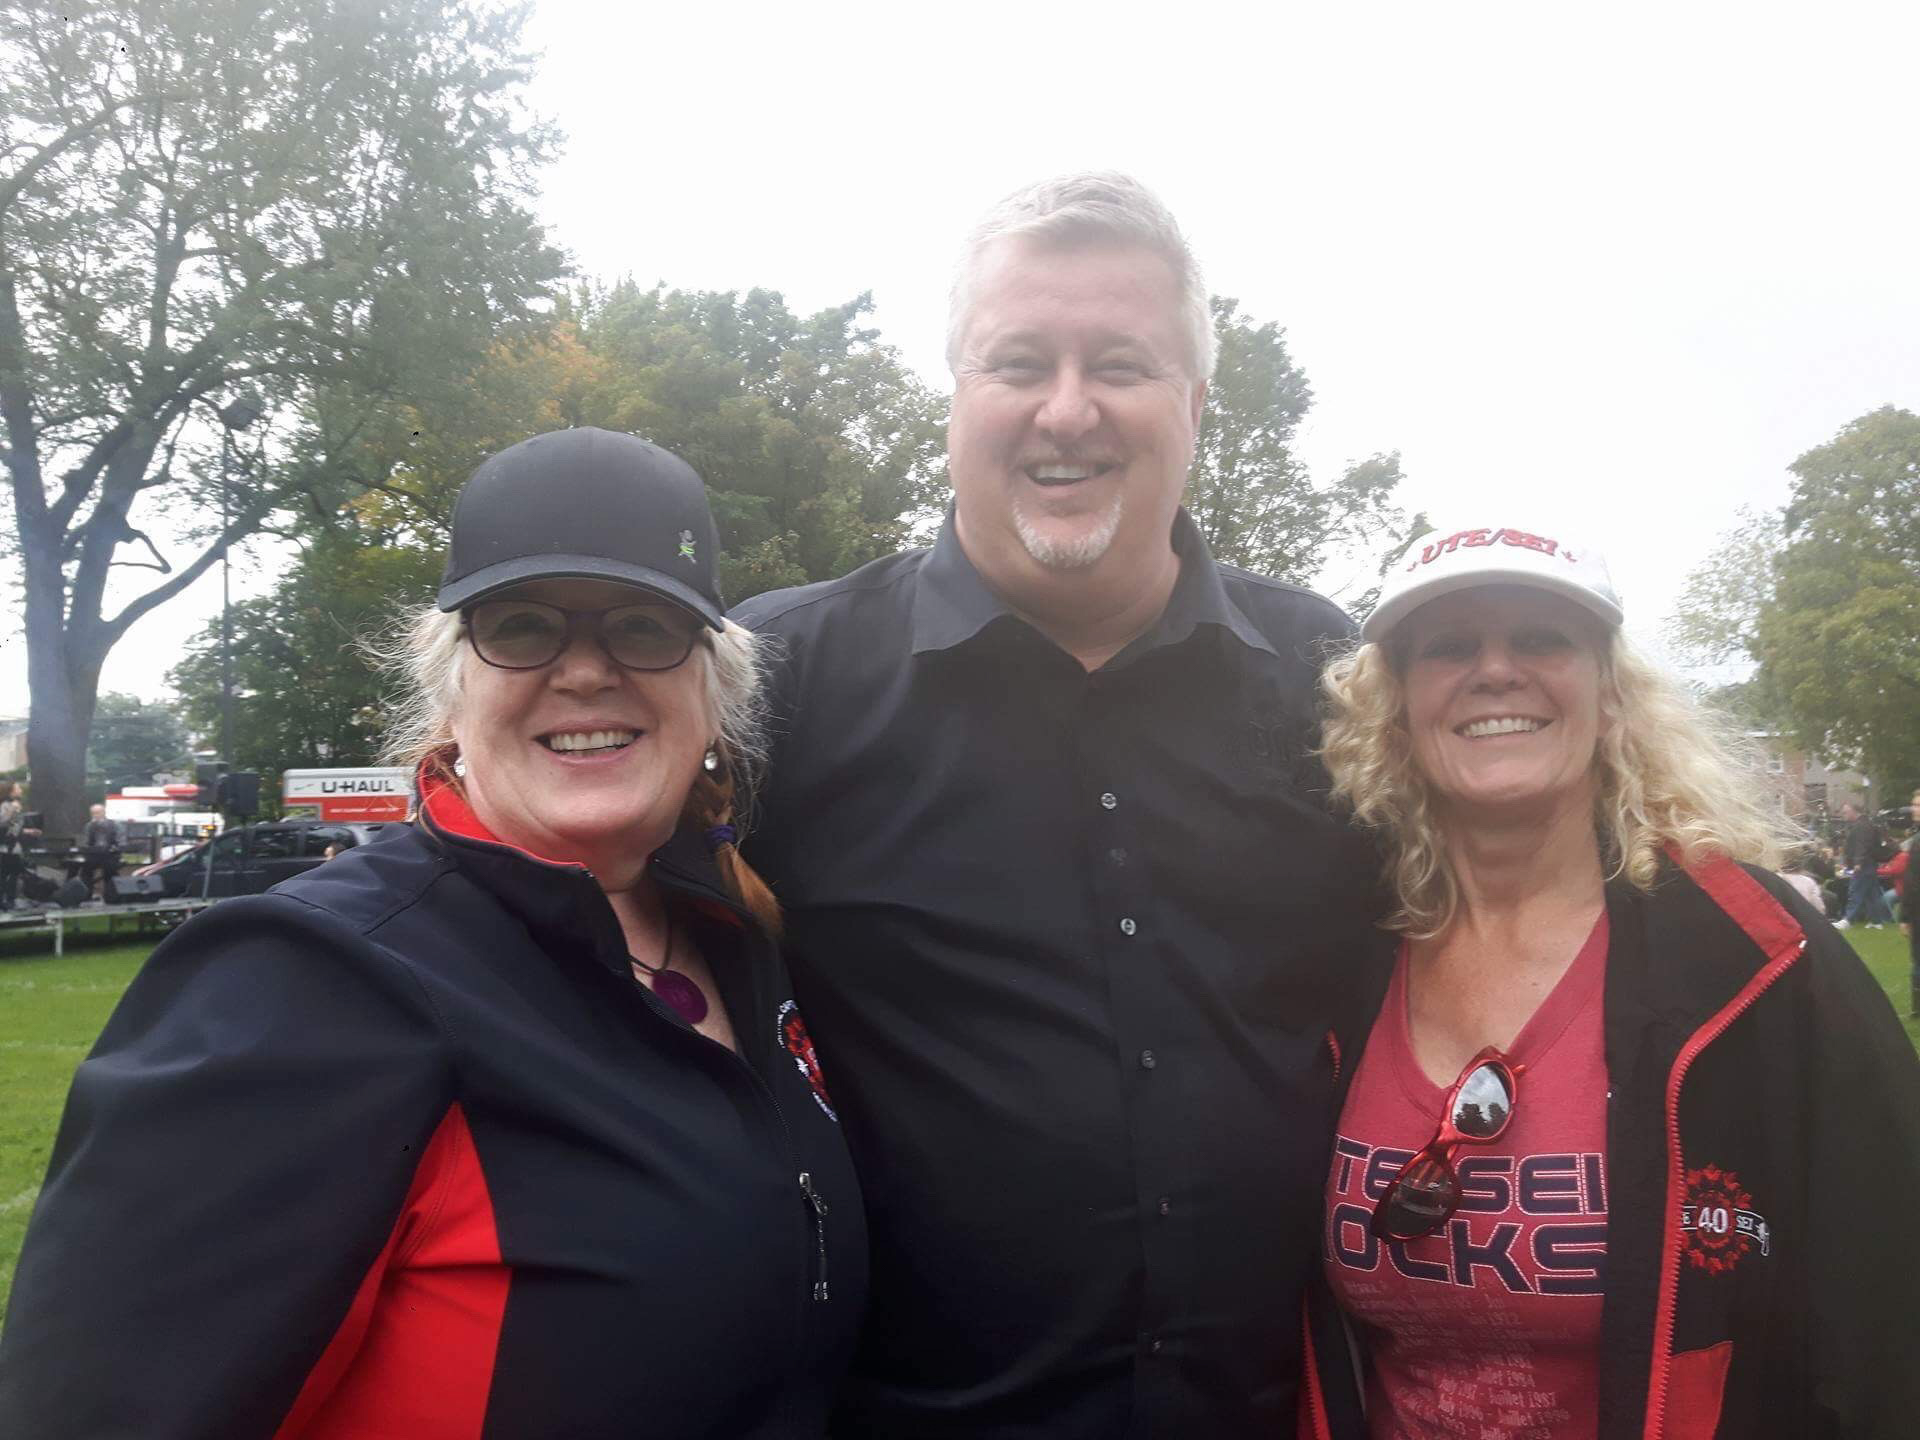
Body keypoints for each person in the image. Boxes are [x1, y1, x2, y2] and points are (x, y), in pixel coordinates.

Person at [0, 428, 866, 1437]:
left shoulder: (740, 937)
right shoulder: (307, 981)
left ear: (714, 695)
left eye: (643, 626)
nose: (585, 671)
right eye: (524, 625)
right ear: (454, 688)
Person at [731, 172, 1385, 1437]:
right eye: (1018, 361)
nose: (1066, 410)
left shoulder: (1330, 678)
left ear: (1196, 404)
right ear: (958, 397)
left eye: (1122, 364)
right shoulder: (783, 678)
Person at [1315, 524, 1920, 1438]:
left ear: (1611, 700)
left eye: (1542, 638)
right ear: (1396, 709)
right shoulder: (1333, 953)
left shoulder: (1749, 953)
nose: (1495, 670)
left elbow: (1886, 1309)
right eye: (1449, 646)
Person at [1835, 797, 1894, 928]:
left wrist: (1857, 862)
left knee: (1855, 891)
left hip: (1864, 864)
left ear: (1854, 811)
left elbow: (1862, 845)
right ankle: (1877, 921)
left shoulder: (1861, 826)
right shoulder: (1864, 824)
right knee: (1871, 894)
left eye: (1845, 812)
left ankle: (1847, 920)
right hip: (1868, 863)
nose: (1843, 815)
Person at [0, 782, 39, 910]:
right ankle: (6, 901)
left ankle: (10, 900)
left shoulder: (14, 805)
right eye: (17, 788)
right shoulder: (5, 805)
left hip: (13, 846)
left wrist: (29, 831)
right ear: (10, 791)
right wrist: (12, 809)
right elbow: (2, 823)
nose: (21, 790)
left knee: (13, 873)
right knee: (6, 874)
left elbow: (14, 828)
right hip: (5, 847)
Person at [78, 800, 123, 898]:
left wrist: (114, 849)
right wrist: (87, 850)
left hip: (110, 855)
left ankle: (111, 895)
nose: (95, 815)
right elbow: (85, 842)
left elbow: (121, 842)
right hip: (94, 855)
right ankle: (86, 895)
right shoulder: (89, 826)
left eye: (97, 813)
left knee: (111, 870)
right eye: (93, 813)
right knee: (85, 871)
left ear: (103, 813)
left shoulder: (115, 825)